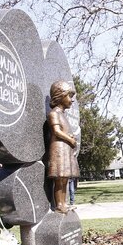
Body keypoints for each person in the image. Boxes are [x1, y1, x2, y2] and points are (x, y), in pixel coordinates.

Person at [47, 81, 79, 214]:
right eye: (69, 96)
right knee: (59, 178)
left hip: (65, 149)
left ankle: (64, 202)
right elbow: (56, 132)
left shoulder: (63, 114)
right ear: (60, 96)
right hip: (58, 149)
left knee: (65, 177)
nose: (71, 100)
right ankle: (59, 205)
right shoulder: (54, 114)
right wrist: (70, 139)